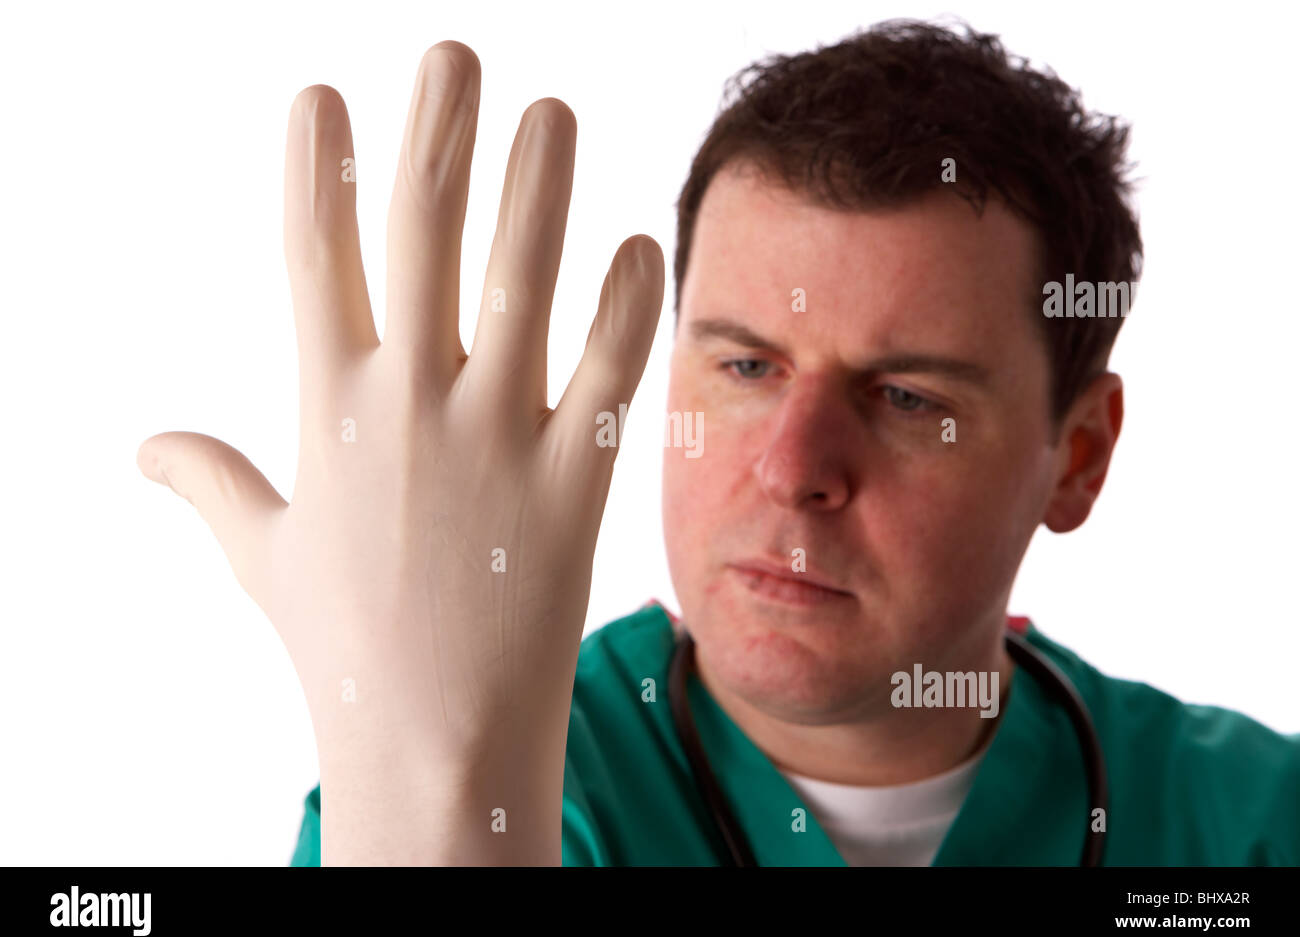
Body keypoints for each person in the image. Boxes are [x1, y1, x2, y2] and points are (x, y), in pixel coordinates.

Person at [140, 19, 1300, 867]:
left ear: (1078, 455)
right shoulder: (482, 779)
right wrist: (427, 815)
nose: (794, 465)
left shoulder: (1247, 823)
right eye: (745, 367)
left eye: (904, 396)